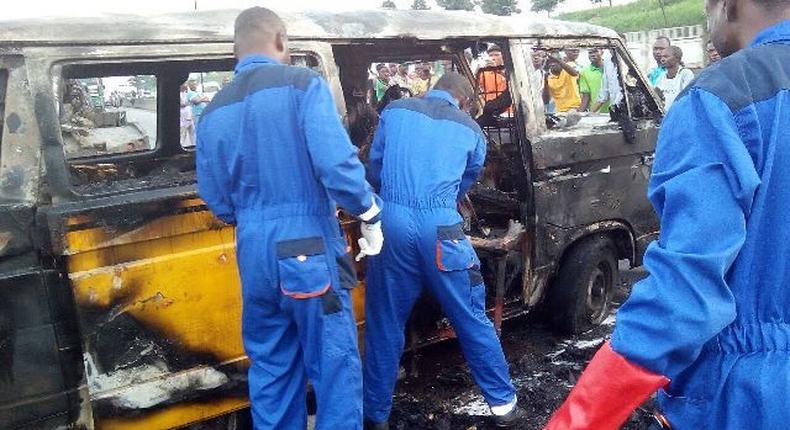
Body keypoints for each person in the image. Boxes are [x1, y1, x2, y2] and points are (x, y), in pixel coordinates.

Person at [544, 0, 790, 428]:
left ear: (729, 4)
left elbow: (684, 297)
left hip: (751, 397)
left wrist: (578, 419)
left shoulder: (719, 98)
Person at [196, 7, 384, 430]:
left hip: (253, 250)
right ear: (281, 40)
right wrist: (369, 211)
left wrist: (254, 216)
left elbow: (217, 200)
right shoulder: (303, 85)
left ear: (235, 48)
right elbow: (336, 165)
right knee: (333, 366)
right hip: (307, 246)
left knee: (272, 368)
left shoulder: (212, 112)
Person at [363, 72, 526, 429]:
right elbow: (466, 182)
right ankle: (505, 408)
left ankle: (375, 416)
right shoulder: (471, 130)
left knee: (384, 322)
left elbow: (374, 168)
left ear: (431, 86)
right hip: (440, 229)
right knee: (470, 318)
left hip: (389, 221)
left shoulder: (395, 110)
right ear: (464, 100)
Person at [579, 48, 608, 112]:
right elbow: (586, 96)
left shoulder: (610, 68)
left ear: (602, 52)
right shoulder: (584, 71)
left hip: (614, 112)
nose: (592, 55)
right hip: (596, 113)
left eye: (595, 51)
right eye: (590, 53)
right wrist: (580, 114)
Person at [179, 83, 195, 148]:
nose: (186, 86)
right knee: (183, 133)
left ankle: (193, 145)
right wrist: (187, 103)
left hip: (189, 116)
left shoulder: (186, 94)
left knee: (192, 132)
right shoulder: (179, 94)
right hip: (183, 116)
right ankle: (181, 145)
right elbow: (182, 104)